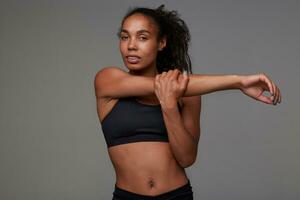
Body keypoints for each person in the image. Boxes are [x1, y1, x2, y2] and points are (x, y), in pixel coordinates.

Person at [93, 4, 282, 200]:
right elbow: (168, 85)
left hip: (178, 195)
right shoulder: (108, 80)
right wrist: (238, 81)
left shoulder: (190, 94)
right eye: (125, 37)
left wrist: (169, 106)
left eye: (143, 37)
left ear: (161, 42)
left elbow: (186, 158)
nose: (131, 45)